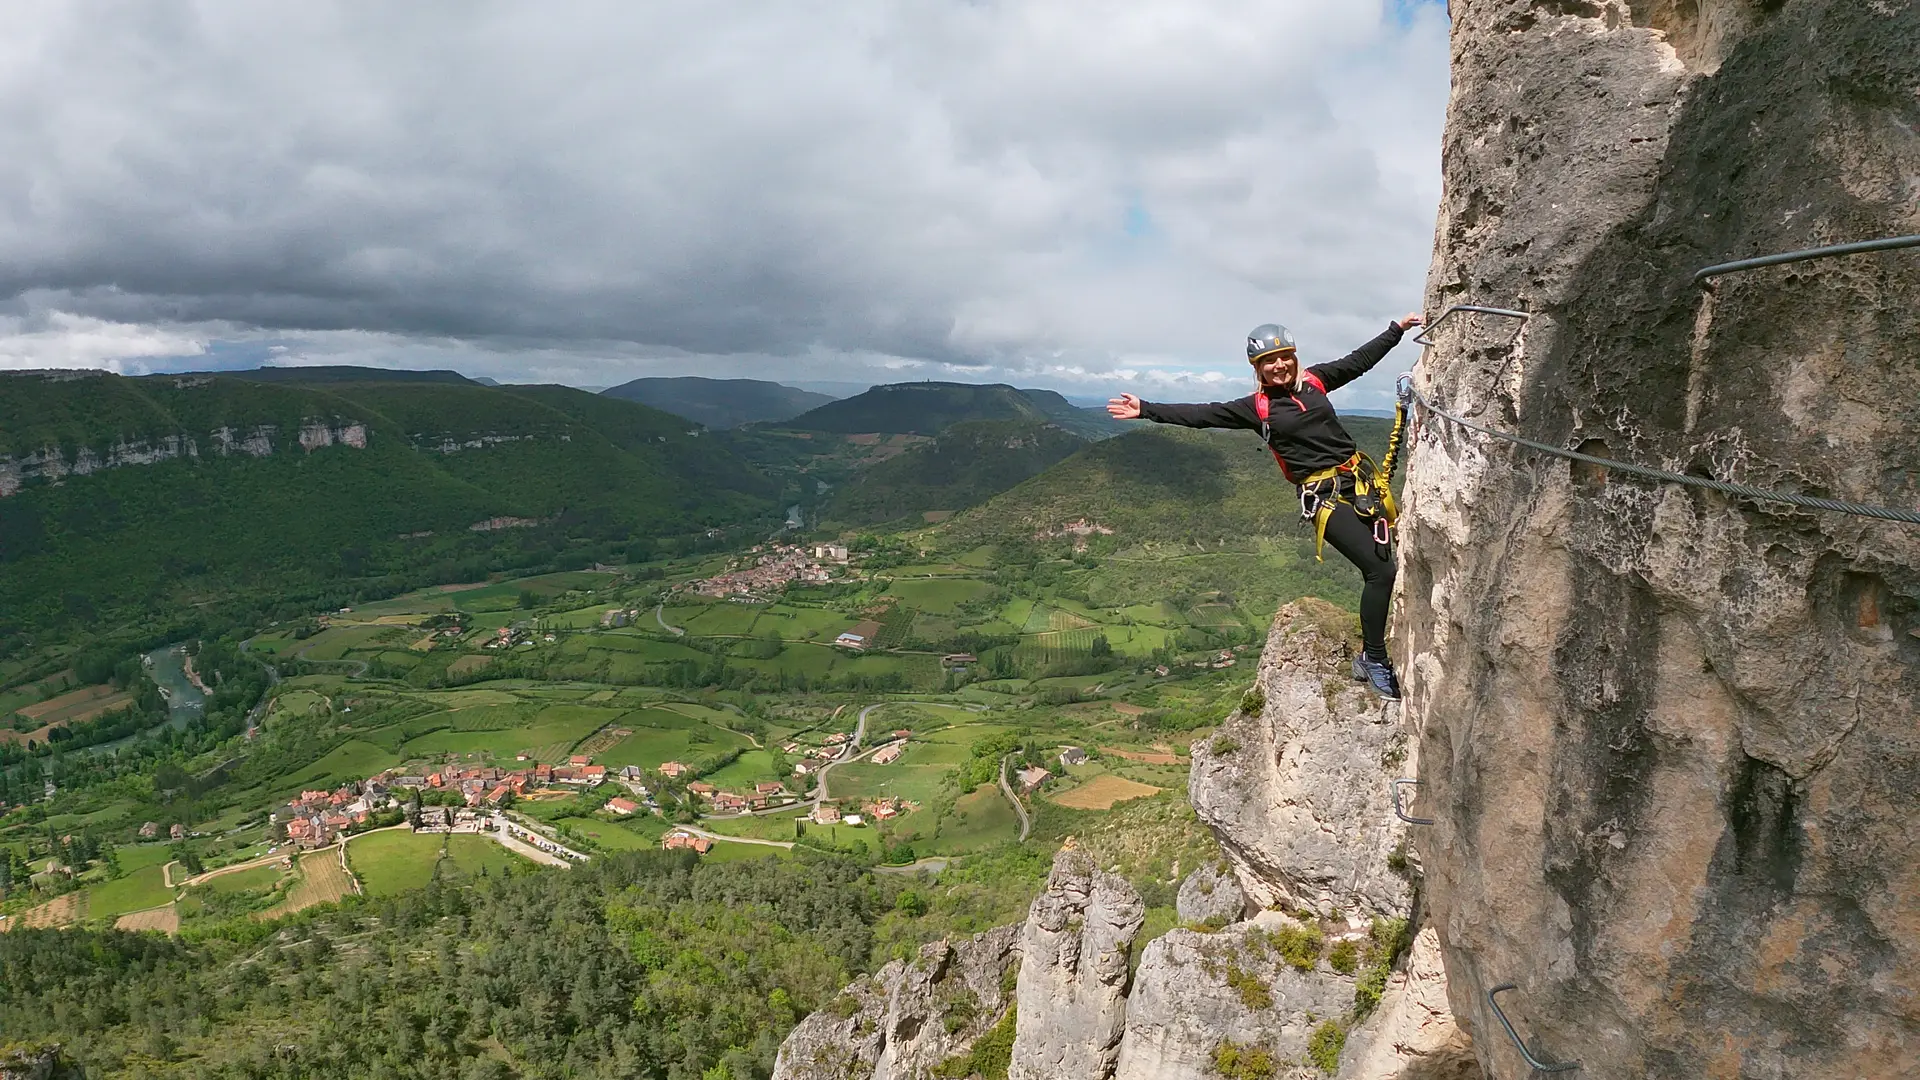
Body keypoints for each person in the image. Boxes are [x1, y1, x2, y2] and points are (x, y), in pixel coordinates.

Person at [1106, 314, 1422, 699]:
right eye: (1268, 361)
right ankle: (1372, 659)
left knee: (1386, 560)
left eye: (1284, 356)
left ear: (1293, 356)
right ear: (1257, 368)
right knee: (1380, 571)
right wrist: (1146, 408)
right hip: (1323, 496)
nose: (1279, 365)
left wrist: (1396, 330)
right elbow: (1201, 414)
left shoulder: (1317, 382)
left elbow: (1358, 361)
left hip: (1358, 481)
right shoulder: (1255, 408)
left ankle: (1372, 649)